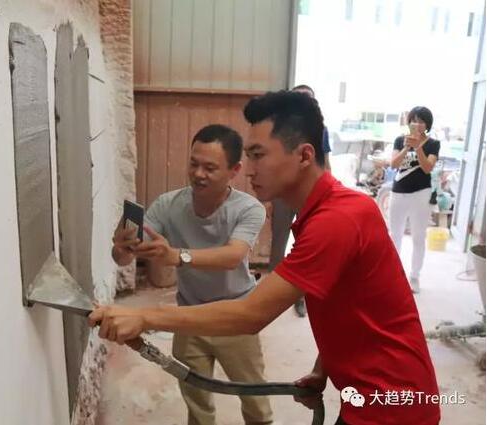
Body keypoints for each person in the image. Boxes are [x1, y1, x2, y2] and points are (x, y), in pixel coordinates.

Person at [95, 91, 440, 425]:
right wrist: (323, 370)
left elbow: (251, 314)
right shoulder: (322, 214)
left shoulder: (337, 220)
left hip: (395, 404)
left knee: (257, 411)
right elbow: (347, 304)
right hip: (368, 397)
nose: (249, 170)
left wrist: (143, 316)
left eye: (258, 156)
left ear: (304, 156)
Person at [111, 124, 273, 425]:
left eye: (210, 168)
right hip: (189, 317)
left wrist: (176, 256)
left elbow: (232, 256)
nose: (198, 174)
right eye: (193, 164)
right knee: (197, 404)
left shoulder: (249, 208)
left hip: (236, 315)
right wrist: (122, 247)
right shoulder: (168, 204)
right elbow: (122, 258)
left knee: (255, 400)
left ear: (234, 170)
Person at [271, 84, 331, 318]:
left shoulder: (320, 130)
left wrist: (328, 192)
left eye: (309, 99)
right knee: (279, 240)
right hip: (283, 192)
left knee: (308, 243)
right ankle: (272, 296)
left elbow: (325, 163)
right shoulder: (278, 129)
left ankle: (301, 298)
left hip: (310, 193)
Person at [388, 106, 440, 293]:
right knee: (395, 235)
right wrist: (406, 147)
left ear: (427, 124)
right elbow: (393, 164)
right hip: (398, 192)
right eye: (413, 120)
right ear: (409, 122)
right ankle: (393, 274)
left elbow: (427, 168)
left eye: (421, 121)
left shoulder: (433, 144)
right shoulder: (400, 140)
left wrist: (418, 147)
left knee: (418, 236)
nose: (417, 124)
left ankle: (415, 276)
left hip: (421, 193)